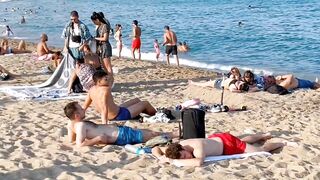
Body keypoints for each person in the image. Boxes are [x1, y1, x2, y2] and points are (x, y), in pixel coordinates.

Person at [64, 102, 178, 147]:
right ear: (76, 115)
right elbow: (79, 144)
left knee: (148, 132)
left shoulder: (74, 123)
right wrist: (97, 139)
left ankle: (174, 134)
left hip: (120, 131)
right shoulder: (80, 126)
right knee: (153, 134)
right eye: (81, 109)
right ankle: (176, 134)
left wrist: (70, 124)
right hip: (121, 136)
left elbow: (71, 139)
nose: (84, 109)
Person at [152, 132, 287, 167]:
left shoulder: (197, 149)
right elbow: (156, 148)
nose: (186, 158)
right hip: (216, 139)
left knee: (260, 150)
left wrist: (172, 161)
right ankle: (262, 135)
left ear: (183, 148)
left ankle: (280, 143)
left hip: (228, 144)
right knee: (244, 142)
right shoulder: (177, 147)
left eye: (183, 156)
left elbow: (198, 162)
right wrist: (160, 157)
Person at [83, 71, 157, 124]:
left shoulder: (91, 89)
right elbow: (104, 108)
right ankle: (156, 115)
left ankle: (139, 113)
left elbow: (85, 105)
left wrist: (82, 114)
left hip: (117, 110)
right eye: (105, 79)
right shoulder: (105, 90)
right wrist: (104, 125)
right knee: (145, 103)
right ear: (98, 82)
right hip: (119, 115)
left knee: (136, 100)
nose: (108, 80)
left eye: (108, 78)